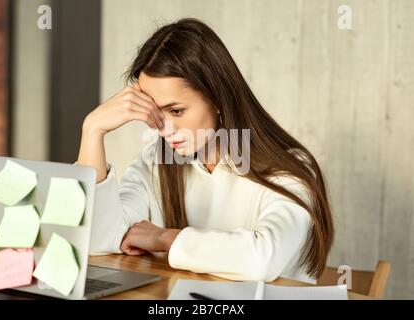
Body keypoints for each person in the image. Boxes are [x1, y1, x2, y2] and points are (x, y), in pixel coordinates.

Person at [77, 18, 334, 283]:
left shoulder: (287, 167)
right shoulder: (156, 162)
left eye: (176, 111)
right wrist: (92, 131)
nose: (165, 129)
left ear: (217, 98)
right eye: (155, 113)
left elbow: (260, 260)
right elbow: (96, 240)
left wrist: (164, 238)